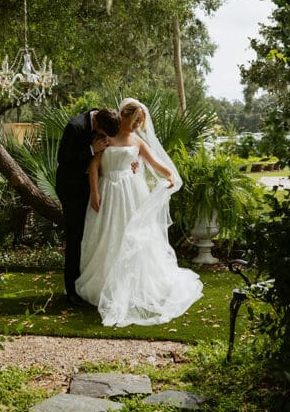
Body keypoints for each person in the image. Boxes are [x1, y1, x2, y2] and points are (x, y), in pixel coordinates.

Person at [75, 98, 203, 326]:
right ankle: (104, 283)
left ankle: (134, 285)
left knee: (132, 237)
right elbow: (94, 165)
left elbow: (154, 163)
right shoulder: (105, 136)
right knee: (108, 236)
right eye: (135, 121)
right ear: (123, 115)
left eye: (140, 123)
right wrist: (94, 193)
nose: (137, 126)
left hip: (131, 191)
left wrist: (170, 176)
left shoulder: (137, 141)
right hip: (107, 190)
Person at [55, 106, 121, 307]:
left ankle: (89, 283)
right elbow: (63, 159)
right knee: (75, 237)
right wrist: (92, 150)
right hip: (71, 187)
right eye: (102, 134)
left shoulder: (104, 118)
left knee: (92, 234)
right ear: (97, 125)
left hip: (92, 186)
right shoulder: (75, 127)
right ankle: (72, 289)